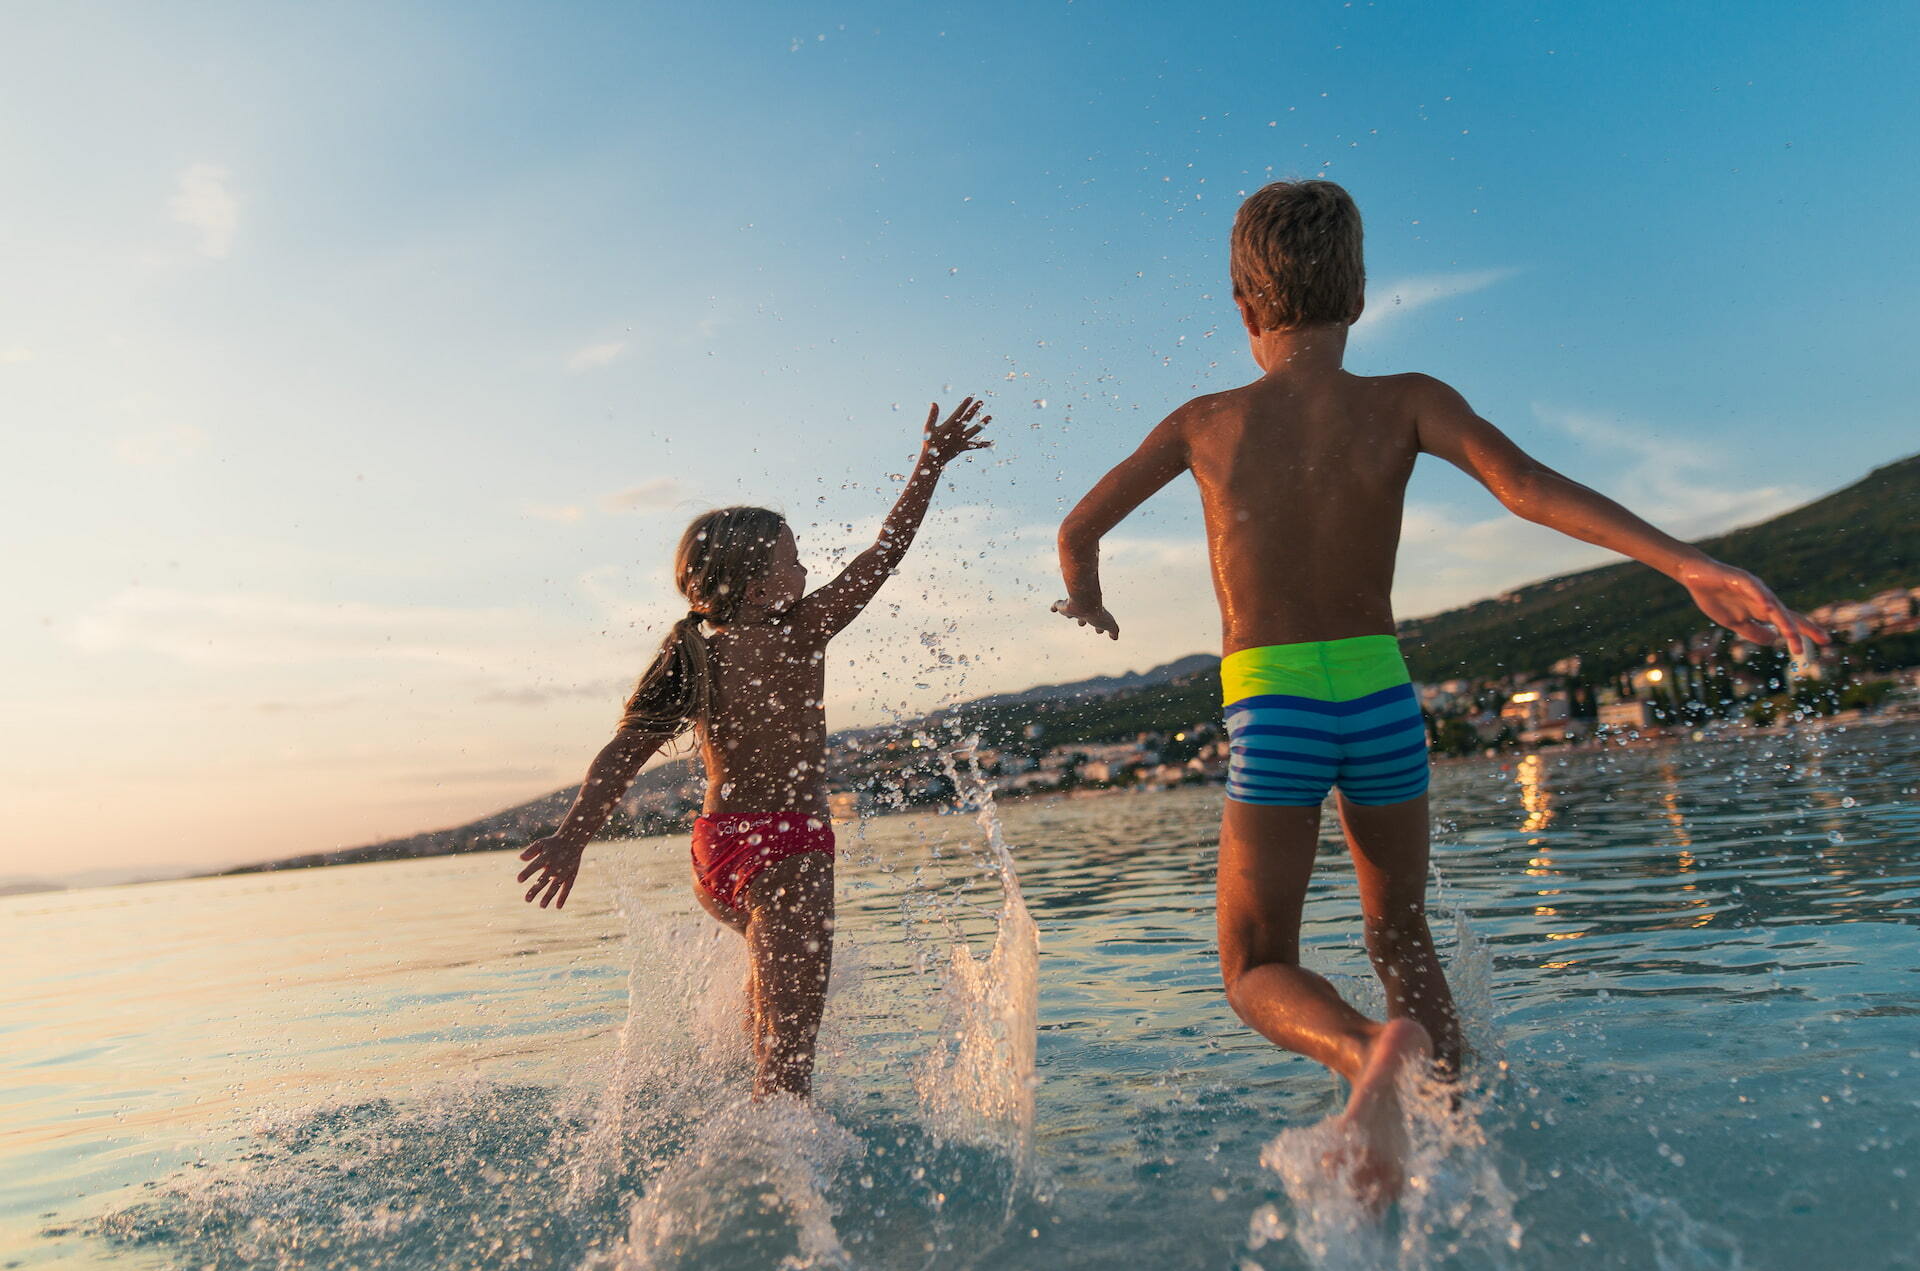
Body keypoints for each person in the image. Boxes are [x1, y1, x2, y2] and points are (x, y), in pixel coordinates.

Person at [1051, 179, 1827, 1200]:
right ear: (1361, 294)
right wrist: (1685, 563)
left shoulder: (1205, 422)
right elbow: (1530, 489)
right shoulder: (1408, 400)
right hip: (1381, 695)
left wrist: (1091, 604)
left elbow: (1076, 530)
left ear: (1243, 307)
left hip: (1273, 702)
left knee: (1252, 963)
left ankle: (1366, 1053)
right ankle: (1454, 1134)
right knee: (1400, 931)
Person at [517, 398, 991, 1097]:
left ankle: (737, 1122)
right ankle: (774, 1170)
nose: (806, 573)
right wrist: (930, 463)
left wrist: (572, 837)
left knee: (766, 1018)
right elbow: (884, 553)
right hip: (789, 848)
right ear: (756, 582)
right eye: (794, 561)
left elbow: (623, 754)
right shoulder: (800, 631)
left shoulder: (695, 656)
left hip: (716, 854)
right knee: (789, 1071)